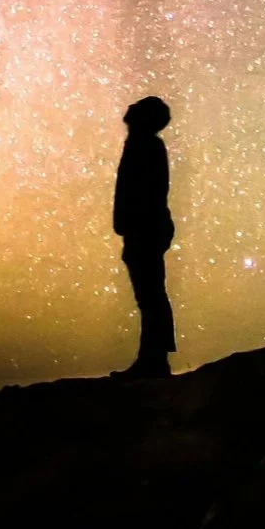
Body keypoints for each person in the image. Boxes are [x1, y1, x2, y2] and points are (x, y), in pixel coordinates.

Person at [112, 96, 176, 378]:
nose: (129, 108)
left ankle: (154, 361)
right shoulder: (143, 145)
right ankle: (153, 359)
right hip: (144, 227)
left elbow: (145, 192)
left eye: (136, 107)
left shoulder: (145, 146)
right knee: (150, 295)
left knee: (150, 296)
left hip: (145, 228)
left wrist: (132, 224)